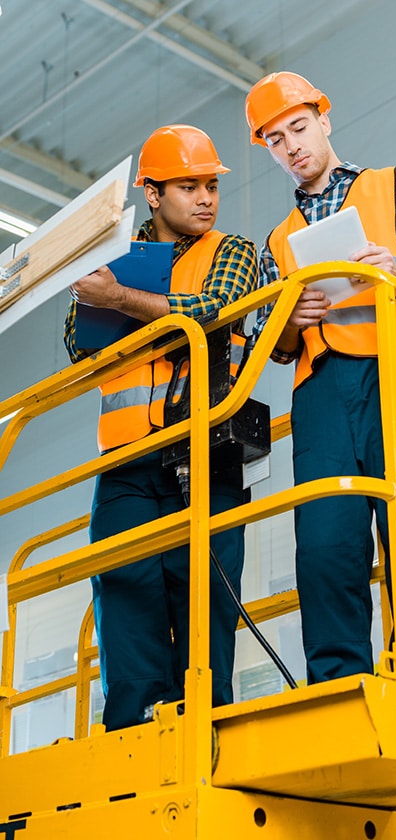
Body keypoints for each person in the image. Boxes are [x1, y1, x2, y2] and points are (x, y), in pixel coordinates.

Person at [245, 72, 396, 695]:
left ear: (324, 120)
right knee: (325, 546)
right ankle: (340, 686)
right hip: (320, 395)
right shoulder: (276, 242)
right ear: (268, 151)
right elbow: (277, 346)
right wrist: (290, 321)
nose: (291, 146)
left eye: (298, 128)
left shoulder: (395, 185)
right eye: (275, 140)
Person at [64, 124, 258, 730]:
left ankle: (204, 727)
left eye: (210, 186)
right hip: (123, 464)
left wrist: (122, 300)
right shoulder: (111, 257)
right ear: (152, 193)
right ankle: (130, 733)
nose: (205, 198)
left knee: (202, 596)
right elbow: (76, 342)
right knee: (124, 594)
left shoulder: (233, 252)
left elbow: (213, 310)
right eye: (188, 186)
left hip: (204, 451)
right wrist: (107, 293)